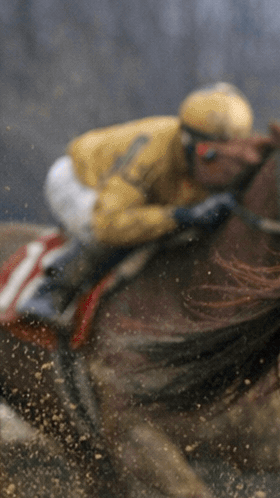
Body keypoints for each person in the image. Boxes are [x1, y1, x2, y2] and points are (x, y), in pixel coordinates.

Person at [14, 82, 265, 331]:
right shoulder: (152, 154)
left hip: (149, 196)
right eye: (209, 156)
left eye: (230, 156)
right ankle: (49, 293)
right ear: (187, 141)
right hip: (80, 181)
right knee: (122, 236)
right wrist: (181, 216)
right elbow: (109, 224)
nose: (221, 168)